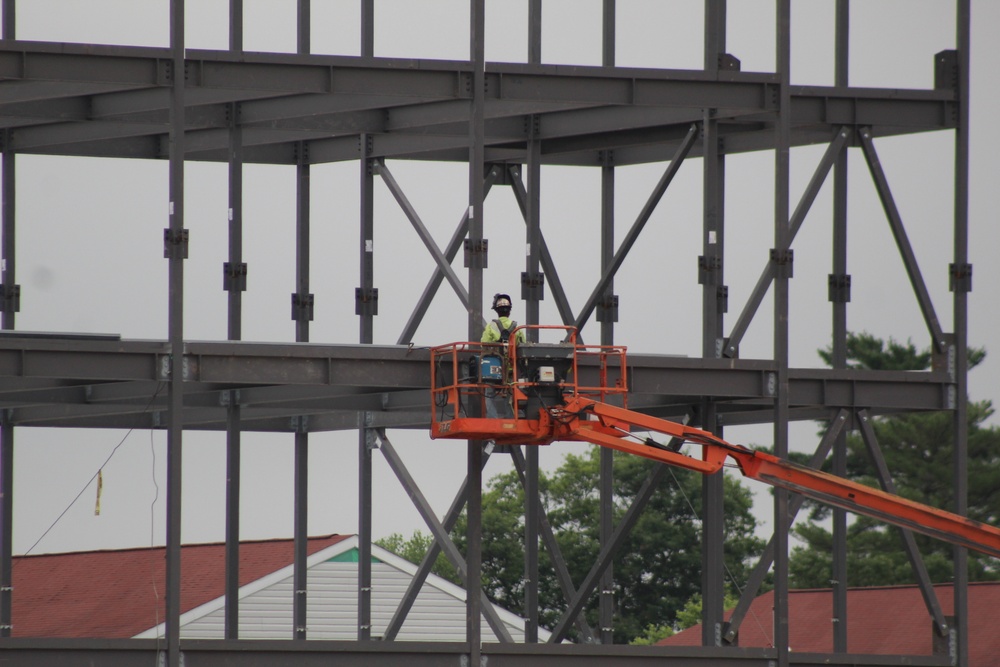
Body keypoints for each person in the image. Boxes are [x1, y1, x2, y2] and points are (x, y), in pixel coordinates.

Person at [480, 293, 525, 418]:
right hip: (511, 370)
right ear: (509, 310)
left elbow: (483, 345)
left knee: (489, 394)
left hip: (494, 369)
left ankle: (493, 419)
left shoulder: (491, 326)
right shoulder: (518, 328)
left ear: (497, 311)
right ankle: (512, 419)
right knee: (510, 396)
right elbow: (523, 347)